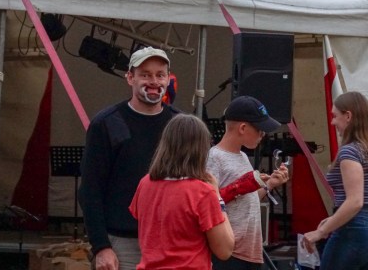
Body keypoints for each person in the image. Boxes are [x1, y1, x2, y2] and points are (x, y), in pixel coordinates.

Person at [78, 46, 180, 270]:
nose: (154, 81)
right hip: (122, 244)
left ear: (167, 79)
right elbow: (90, 190)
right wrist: (101, 247)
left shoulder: (179, 125)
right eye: (145, 75)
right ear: (130, 78)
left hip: (171, 243)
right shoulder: (106, 123)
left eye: (160, 75)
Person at [129, 113, 235, 270]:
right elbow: (225, 250)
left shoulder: (145, 183)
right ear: (200, 149)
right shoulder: (202, 192)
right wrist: (218, 197)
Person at [207, 95, 289, 270]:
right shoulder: (214, 157)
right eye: (260, 129)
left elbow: (247, 200)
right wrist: (240, 186)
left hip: (250, 251)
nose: (263, 135)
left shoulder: (243, 156)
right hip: (228, 254)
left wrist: (270, 184)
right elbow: (208, 204)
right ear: (243, 128)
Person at [302, 91, 368, 270]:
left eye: (335, 116)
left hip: (353, 230)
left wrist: (320, 232)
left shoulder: (350, 152)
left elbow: (355, 201)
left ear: (348, 116)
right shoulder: (363, 150)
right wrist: (334, 220)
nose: (332, 122)